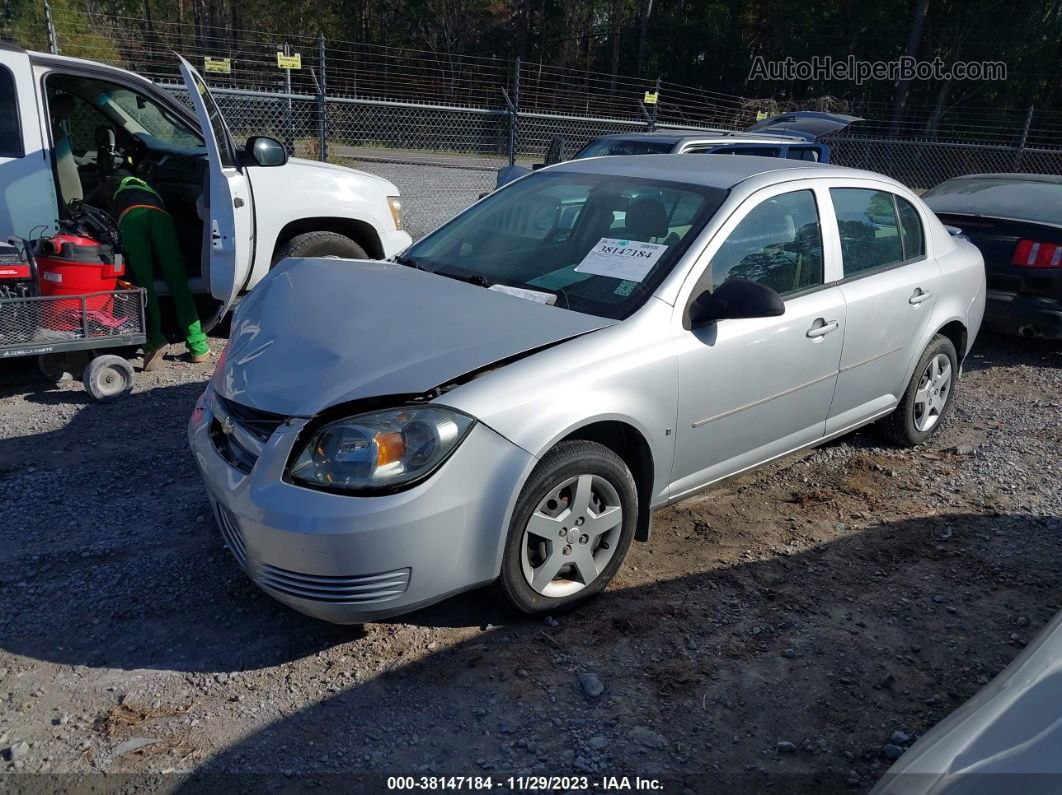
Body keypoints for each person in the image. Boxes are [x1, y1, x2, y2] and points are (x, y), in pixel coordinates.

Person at [86, 173, 209, 370]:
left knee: (144, 287)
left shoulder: (110, 186)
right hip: (160, 217)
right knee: (178, 283)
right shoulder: (151, 184)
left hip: (130, 219)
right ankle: (198, 346)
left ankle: (154, 341)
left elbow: (91, 208)